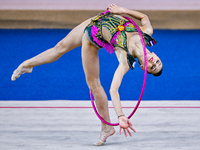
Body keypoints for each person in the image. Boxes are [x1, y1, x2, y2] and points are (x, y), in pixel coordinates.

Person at [11, 4, 163, 146]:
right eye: (157, 62)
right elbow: (144, 18)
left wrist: (121, 116)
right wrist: (122, 10)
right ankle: (27, 65)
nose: (153, 63)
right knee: (59, 47)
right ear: (156, 55)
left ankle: (106, 128)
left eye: (152, 67)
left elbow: (114, 90)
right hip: (95, 21)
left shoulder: (125, 59)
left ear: (143, 67)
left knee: (94, 85)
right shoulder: (146, 33)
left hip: (92, 37)